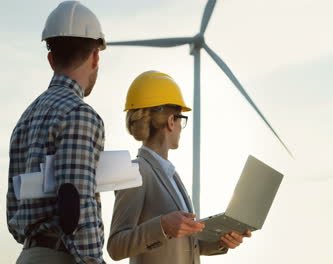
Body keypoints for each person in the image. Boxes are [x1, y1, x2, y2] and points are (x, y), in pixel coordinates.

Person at [107, 71, 252, 264]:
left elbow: (184, 245)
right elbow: (116, 246)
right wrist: (162, 226)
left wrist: (222, 240)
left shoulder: (171, 175)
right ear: (171, 121)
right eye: (181, 120)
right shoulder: (137, 171)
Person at [6, 1, 107, 263]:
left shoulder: (26, 118)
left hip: (29, 254)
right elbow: (76, 205)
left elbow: (13, 207)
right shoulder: (79, 114)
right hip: (62, 256)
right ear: (95, 56)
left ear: (51, 59)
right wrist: (94, 260)